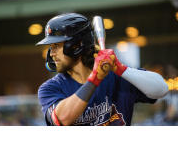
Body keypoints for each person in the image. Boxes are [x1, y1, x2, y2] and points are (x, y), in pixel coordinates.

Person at [36, 13, 169, 126]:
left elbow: (162, 89)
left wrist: (121, 69)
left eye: (57, 45)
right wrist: (95, 78)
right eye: (51, 47)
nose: (52, 53)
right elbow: (62, 118)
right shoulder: (51, 88)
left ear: (76, 46)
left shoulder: (116, 76)